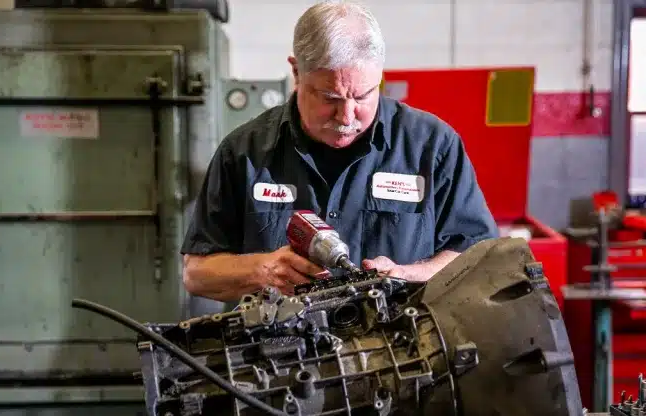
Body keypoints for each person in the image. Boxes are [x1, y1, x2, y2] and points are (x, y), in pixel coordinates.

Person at [181, 0, 498, 302]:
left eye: (363, 95)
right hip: (282, 352)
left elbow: (479, 256)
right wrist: (261, 270)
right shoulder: (244, 152)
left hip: (401, 347)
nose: (347, 117)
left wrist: (407, 275)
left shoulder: (432, 147)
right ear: (296, 72)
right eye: (330, 97)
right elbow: (196, 274)